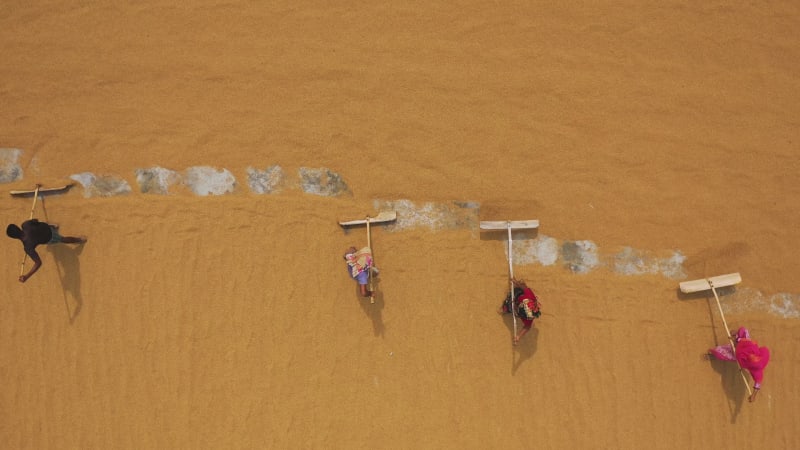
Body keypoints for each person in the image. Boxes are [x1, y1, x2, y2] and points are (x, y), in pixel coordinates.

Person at [6, 219, 87, 283]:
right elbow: (36, 220)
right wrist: (32, 223)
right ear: (18, 227)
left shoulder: (28, 246)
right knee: (41, 226)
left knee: (62, 239)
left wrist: (27, 276)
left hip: (49, 237)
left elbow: (38, 263)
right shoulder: (25, 224)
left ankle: (79, 240)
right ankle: (53, 226)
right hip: (46, 227)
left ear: (14, 237)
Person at [707, 326, 770, 402]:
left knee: (719, 352)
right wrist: (736, 338)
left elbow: (758, 383)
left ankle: (712, 353)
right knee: (743, 330)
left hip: (735, 354)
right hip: (740, 345)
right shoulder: (751, 344)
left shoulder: (757, 371)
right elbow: (743, 334)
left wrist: (753, 395)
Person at [497, 278, 541, 345]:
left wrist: (518, 336)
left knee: (504, 309)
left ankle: (508, 308)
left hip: (515, 307)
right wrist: (516, 282)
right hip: (518, 295)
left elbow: (527, 327)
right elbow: (524, 288)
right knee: (520, 286)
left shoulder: (527, 318)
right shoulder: (529, 296)